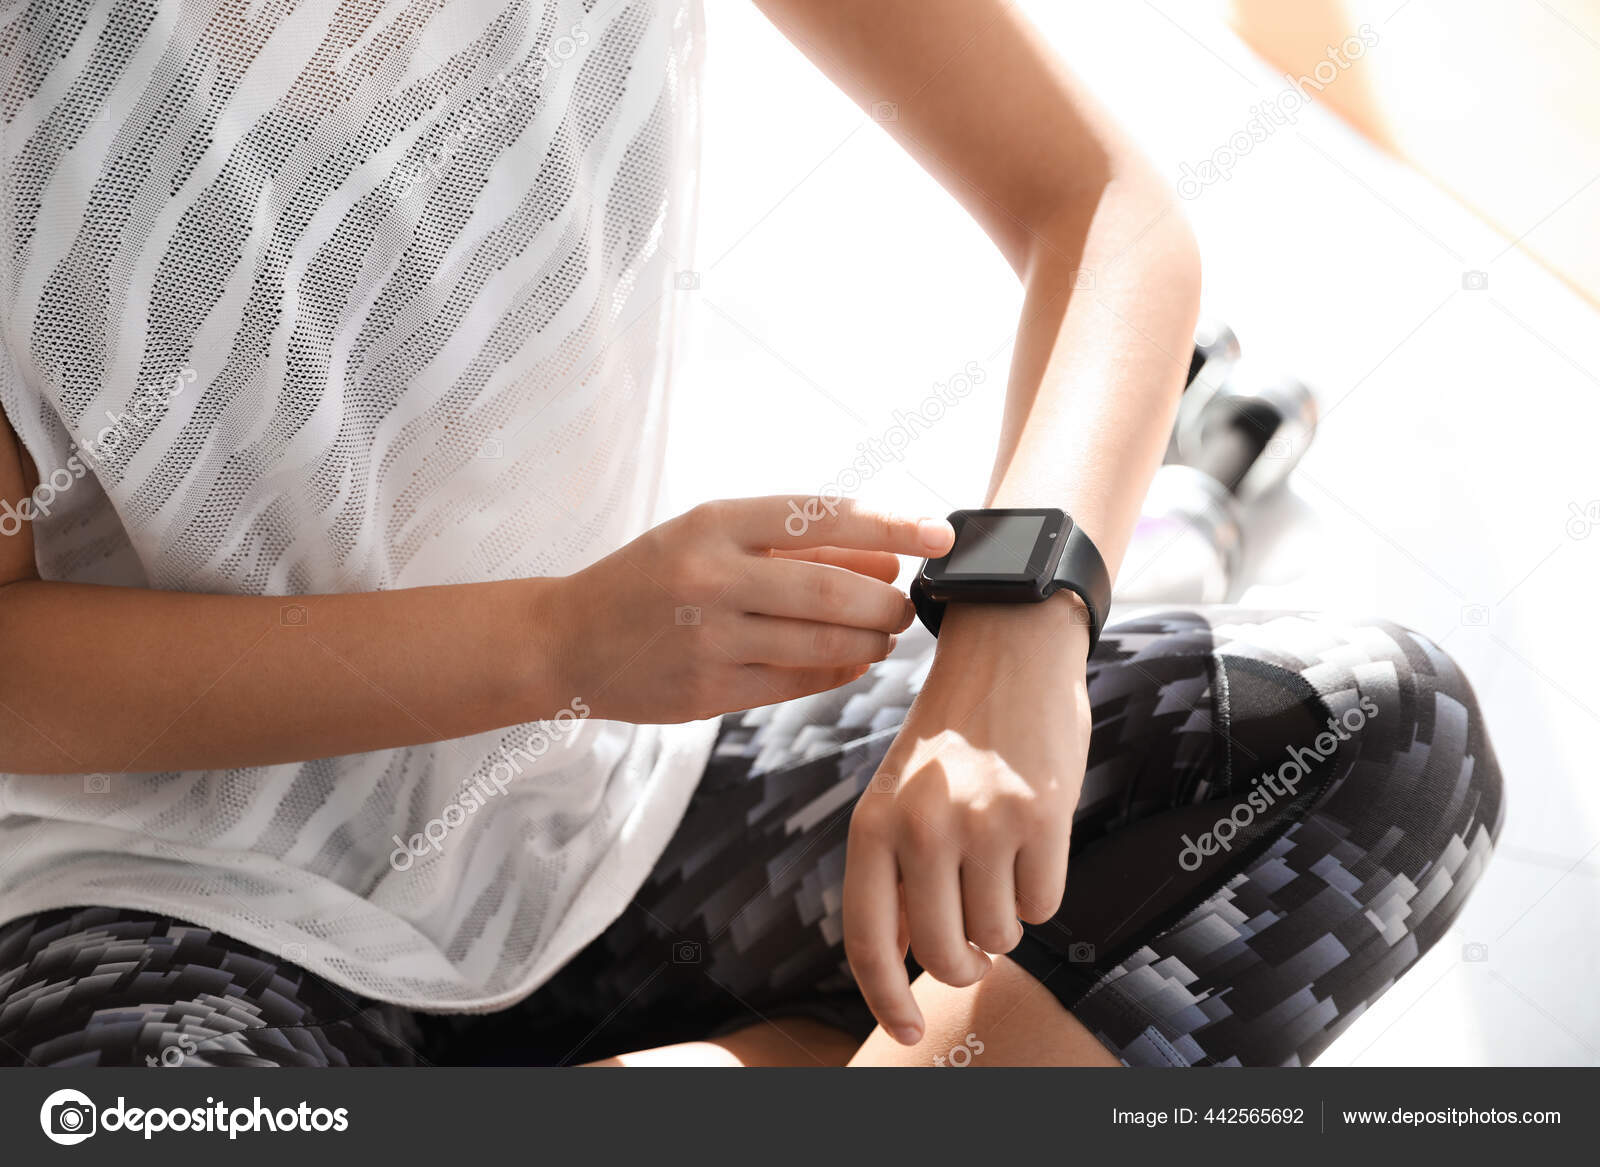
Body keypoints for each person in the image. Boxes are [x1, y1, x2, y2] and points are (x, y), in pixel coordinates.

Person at [0, 0, 1500, 1068]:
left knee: (1383, 739)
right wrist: (561, 641)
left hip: (631, 815)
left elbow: (1096, 204)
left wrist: (1021, 619)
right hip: (165, 906)